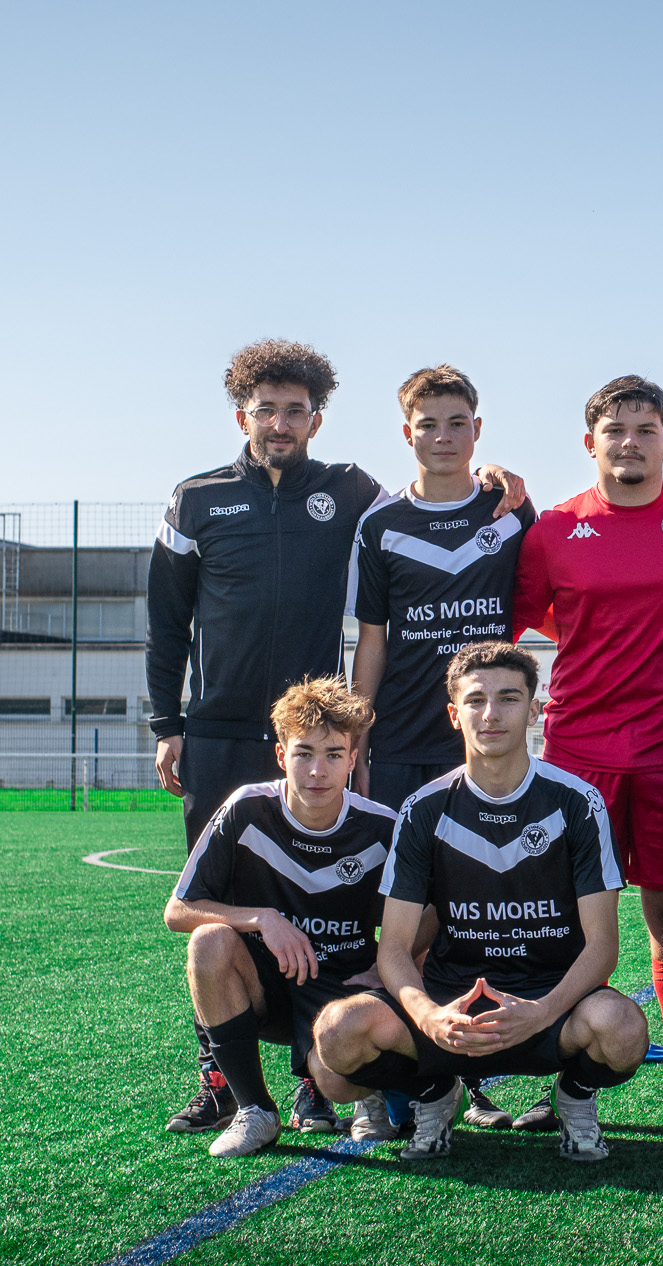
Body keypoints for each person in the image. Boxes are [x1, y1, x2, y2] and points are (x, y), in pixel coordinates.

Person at [150, 338, 525, 1134]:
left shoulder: (351, 491)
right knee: (224, 909)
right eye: (266, 410)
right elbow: (166, 621)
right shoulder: (196, 499)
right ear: (243, 416)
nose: (281, 424)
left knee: (349, 898)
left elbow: (431, 496)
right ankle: (223, 1081)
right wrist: (166, 723)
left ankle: (332, 1074)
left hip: (317, 733)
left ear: (316, 419)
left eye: (296, 411)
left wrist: (496, 478)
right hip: (218, 733)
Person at [310, 643, 644, 1162]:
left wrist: (542, 1012)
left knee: (623, 1029)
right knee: (336, 1034)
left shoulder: (578, 802)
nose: (491, 714)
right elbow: (393, 947)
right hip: (453, 1004)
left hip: (550, 1002)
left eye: (509, 698)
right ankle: (434, 1092)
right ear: (454, 714)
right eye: (476, 700)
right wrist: (428, 1016)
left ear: (534, 710)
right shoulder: (424, 809)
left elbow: (602, 947)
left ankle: (575, 1095)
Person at [510, 376, 663, 1128]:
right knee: (567, 922)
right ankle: (563, 1083)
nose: (629, 443)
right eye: (615, 430)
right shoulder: (553, 529)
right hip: (579, 754)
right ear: (590, 443)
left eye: (645, 430)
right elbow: (510, 631)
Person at [346, 364, 537, 1132]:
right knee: (397, 912)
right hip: (402, 741)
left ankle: (469, 1070)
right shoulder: (381, 524)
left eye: (458, 422)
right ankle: (383, 1075)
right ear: (407, 433)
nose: (444, 436)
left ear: (477, 430)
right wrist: (359, 738)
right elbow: (372, 639)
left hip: (488, 743)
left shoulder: (509, 510)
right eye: (429, 424)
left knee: (475, 909)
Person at [164, 679, 398, 1154]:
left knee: (336, 1083)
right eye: (303, 753)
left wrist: (389, 966)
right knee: (208, 941)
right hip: (266, 988)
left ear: (353, 759)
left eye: (334, 755)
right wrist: (263, 919)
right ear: (280, 755)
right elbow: (178, 909)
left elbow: (430, 915)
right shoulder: (246, 809)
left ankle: (370, 1090)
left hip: (344, 990)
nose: (318, 771)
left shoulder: (382, 827)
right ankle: (255, 1109)